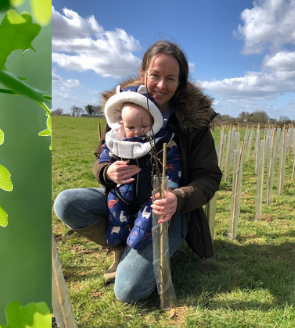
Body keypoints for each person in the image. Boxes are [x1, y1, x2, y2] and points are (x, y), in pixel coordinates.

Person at [53, 40, 221, 303]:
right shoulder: (124, 108)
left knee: (127, 292)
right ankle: (122, 244)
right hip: (123, 199)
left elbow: (209, 178)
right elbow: (101, 158)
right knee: (66, 203)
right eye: (155, 75)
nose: (161, 85)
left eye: (171, 78)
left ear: (181, 82)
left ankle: (156, 247)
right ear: (143, 73)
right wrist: (108, 172)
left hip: (167, 212)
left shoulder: (193, 123)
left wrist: (179, 199)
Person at [100, 86, 181, 251]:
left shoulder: (162, 141)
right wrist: (107, 170)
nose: (138, 132)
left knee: (148, 217)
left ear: (153, 122)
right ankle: (119, 228)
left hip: (150, 197)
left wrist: (171, 186)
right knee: (113, 205)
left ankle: (138, 237)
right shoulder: (116, 140)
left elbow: (173, 163)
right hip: (121, 193)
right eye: (131, 128)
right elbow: (103, 158)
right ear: (122, 125)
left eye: (144, 127)